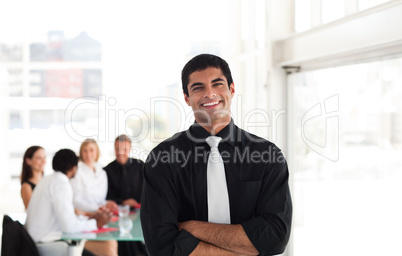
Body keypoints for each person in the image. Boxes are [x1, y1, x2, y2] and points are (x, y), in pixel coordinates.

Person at [140, 54, 292, 255]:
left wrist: (193, 228)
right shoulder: (162, 160)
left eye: (217, 84)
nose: (209, 94)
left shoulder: (268, 156)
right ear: (187, 98)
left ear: (232, 89)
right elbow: (161, 246)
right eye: (198, 87)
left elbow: (275, 238)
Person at [25, 149, 111, 254]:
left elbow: (65, 218)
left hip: (36, 240)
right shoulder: (61, 185)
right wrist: (95, 223)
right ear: (73, 167)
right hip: (47, 244)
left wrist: (87, 219)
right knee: (104, 249)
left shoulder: (48, 179)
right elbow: (69, 226)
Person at [70, 138, 118, 256]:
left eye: (91, 150)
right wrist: (97, 208)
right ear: (81, 153)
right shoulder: (77, 172)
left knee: (113, 243)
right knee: (109, 247)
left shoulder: (102, 173)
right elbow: (76, 201)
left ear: (97, 152)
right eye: (85, 151)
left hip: (100, 219)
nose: (88, 154)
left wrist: (107, 203)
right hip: (83, 220)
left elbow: (99, 200)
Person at [104, 134, 147, 256]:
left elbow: (148, 190)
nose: (120, 152)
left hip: (140, 216)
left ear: (130, 149)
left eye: (124, 149)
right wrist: (122, 202)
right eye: (117, 149)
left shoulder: (140, 166)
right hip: (118, 217)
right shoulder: (107, 170)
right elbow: (106, 196)